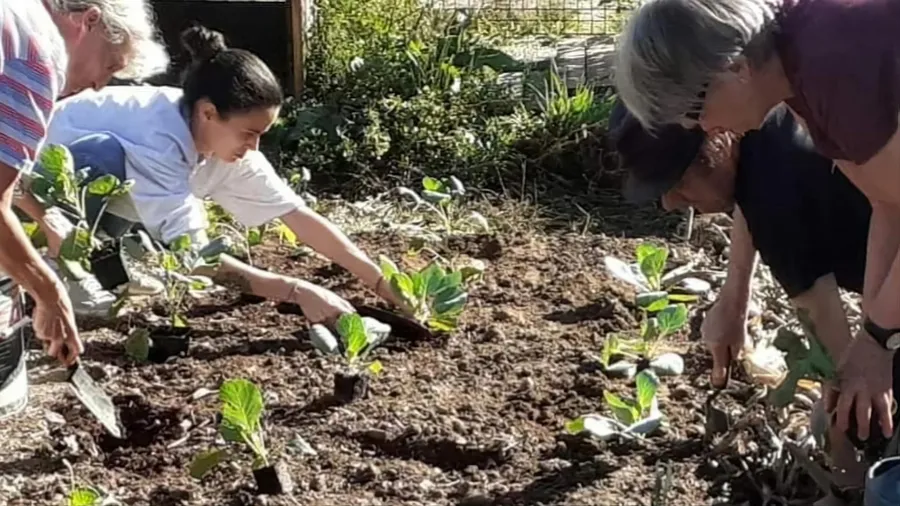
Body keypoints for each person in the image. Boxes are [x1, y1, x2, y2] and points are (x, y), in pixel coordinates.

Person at [613, 0, 900, 445]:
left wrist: (878, 338)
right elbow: (890, 202)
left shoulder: (833, 73)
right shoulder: (795, 75)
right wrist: (872, 336)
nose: (705, 127)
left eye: (695, 112)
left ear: (736, 69)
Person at [17, 26, 406, 325]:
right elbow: (197, 259)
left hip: (109, 198)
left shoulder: (223, 145)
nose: (254, 147)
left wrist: (379, 282)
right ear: (207, 113)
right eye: (249, 134)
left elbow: (297, 216)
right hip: (24, 187)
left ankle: (99, 263)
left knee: (146, 203)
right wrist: (296, 290)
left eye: (261, 135)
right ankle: (61, 267)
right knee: (102, 154)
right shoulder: (159, 137)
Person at [611, 100, 876, 489]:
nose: (669, 203)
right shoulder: (756, 113)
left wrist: (844, 476)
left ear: (714, 148)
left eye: (676, 182)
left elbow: (835, 361)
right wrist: (734, 300)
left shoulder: (777, 208)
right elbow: (751, 187)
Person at [0, 0, 167, 418]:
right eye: (110, 66)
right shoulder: (36, 53)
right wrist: (48, 290)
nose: (98, 86)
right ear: (89, 21)